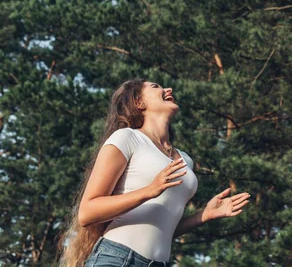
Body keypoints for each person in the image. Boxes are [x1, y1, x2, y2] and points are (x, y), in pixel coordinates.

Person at [60, 79, 251, 267]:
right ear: (139, 102)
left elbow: (163, 228)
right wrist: (150, 190)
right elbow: (87, 212)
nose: (168, 89)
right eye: (155, 86)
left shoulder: (186, 160)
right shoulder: (127, 138)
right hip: (117, 259)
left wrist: (204, 215)